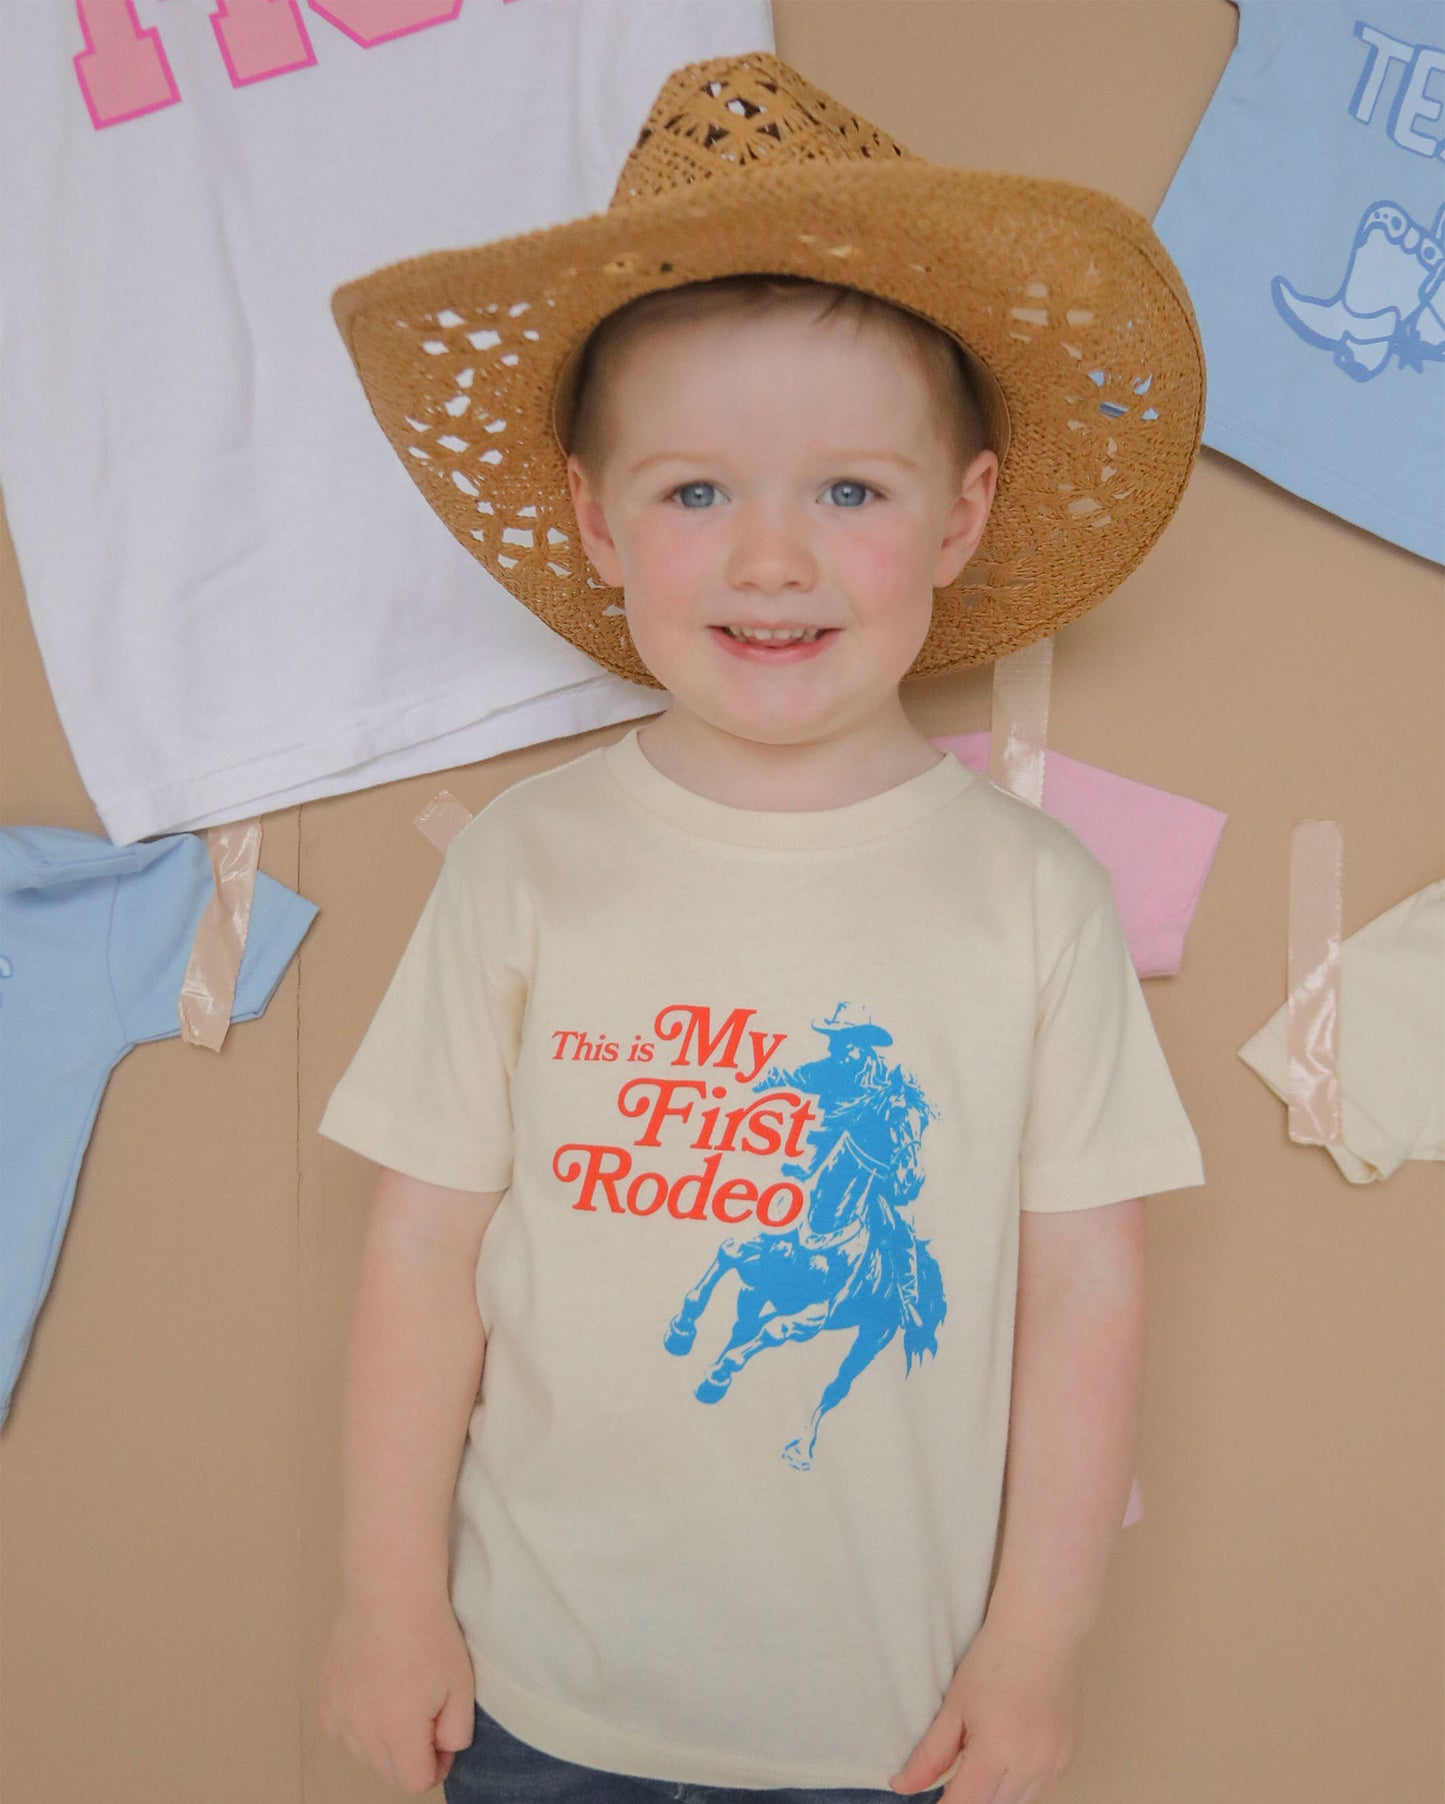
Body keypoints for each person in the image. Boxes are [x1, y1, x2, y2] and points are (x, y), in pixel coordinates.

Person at [314, 51, 1207, 1804]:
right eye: (697, 491)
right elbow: (421, 1256)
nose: (771, 561)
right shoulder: (526, 863)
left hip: (880, 1733)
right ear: (597, 519)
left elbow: (1084, 1292)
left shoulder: (1030, 900)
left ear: (958, 519)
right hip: (533, 1701)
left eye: (850, 494)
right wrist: (379, 1598)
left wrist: (1038, 1645)